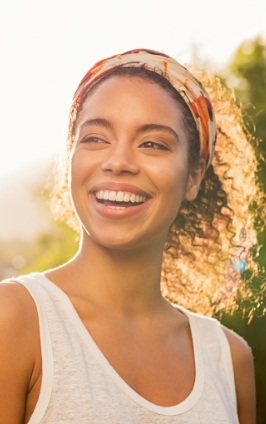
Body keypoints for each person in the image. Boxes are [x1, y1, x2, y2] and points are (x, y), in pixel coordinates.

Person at [0, 48, 263, 423]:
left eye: (152, 143)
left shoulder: (228, 359)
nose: (118, 161)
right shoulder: (14, 320)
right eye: (95, 138)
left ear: (194, 176)